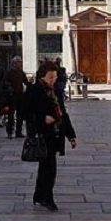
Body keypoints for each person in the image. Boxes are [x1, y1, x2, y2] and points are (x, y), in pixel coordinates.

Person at [26, 60, 77, 212]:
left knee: (45, 167)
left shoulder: (56, 92)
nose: (53, 80)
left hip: (55, 134)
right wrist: (42, 118)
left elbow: (63, 114)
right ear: (42, 77)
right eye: (50, 77)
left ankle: (39, 196)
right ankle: (47, 198)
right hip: (43, 134)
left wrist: (71, 135)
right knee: (49, 168)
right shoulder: (34, 91)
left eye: (55, 77)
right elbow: (25, 112)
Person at [5, 56, 30, 139]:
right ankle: (10, 132)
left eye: (21, 62)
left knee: (20, 114)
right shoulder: (9, 72)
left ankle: (18, 131)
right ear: (14, 63)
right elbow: (5, 82)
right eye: (19, 62)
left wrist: (32, 86)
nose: (20, 63)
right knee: (11, 114)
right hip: (12, 96)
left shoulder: (21, 72)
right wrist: (9, 88)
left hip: (20, 95)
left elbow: (25, 82)